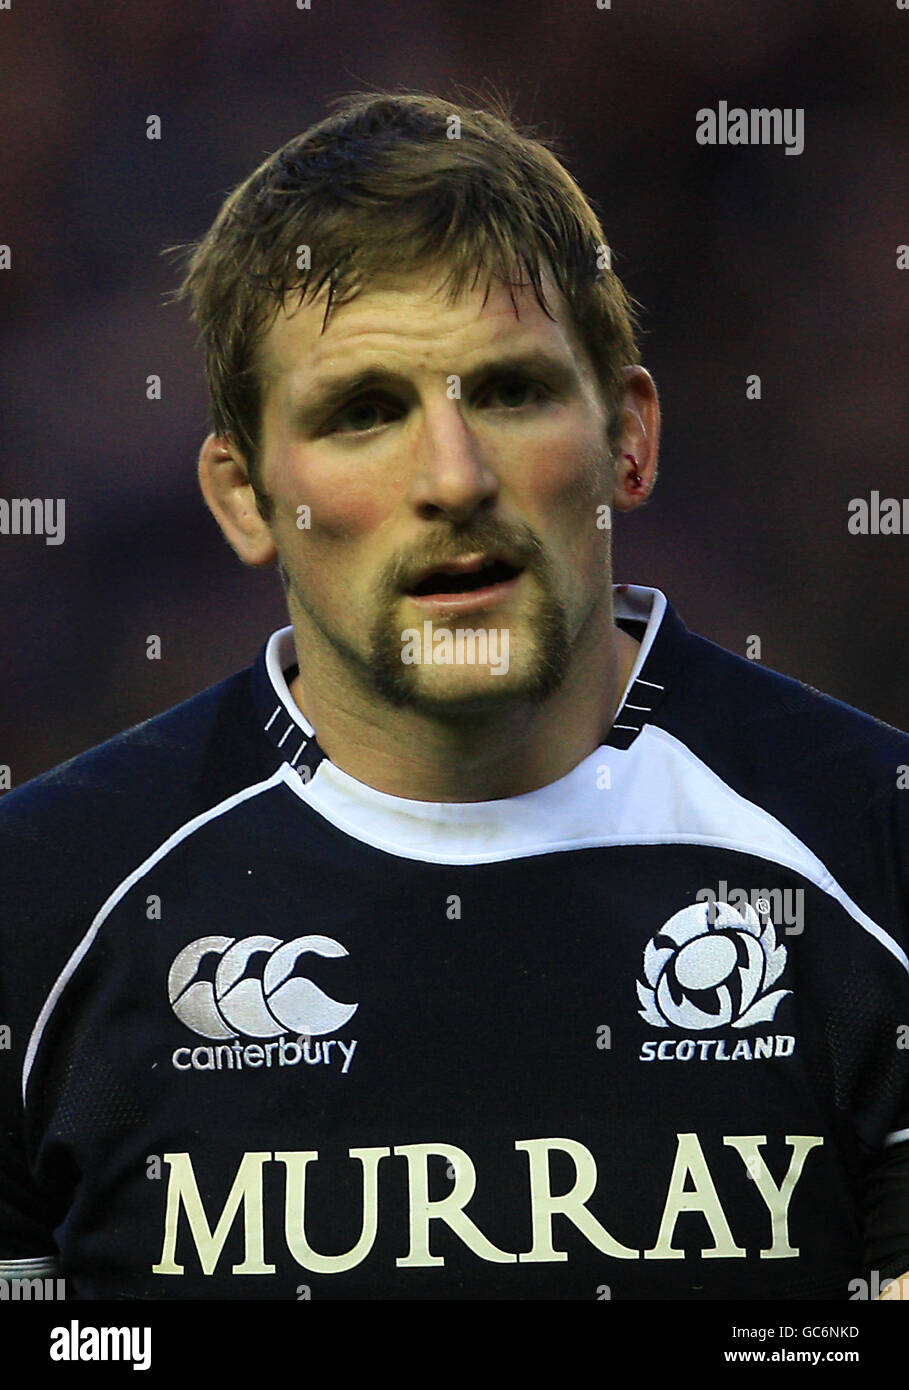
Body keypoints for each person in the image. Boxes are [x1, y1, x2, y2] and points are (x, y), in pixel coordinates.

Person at [1, 89, 907, 1302]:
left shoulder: (878, 849)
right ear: (243, 498)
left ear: (629, 440)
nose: (455, 476)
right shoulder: (37, 910)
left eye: (513, 392)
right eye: (365, 412)